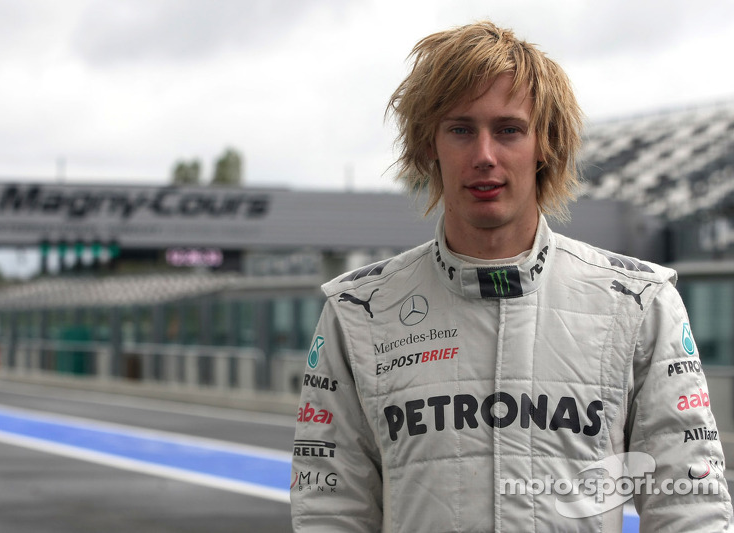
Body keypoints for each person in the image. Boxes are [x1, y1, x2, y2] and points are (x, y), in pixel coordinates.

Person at [291, 21, 731, 532]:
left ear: (544, 144)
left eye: (508, 129)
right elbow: (329, 510)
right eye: (460, 129)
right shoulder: (357, 313)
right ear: (428, 145)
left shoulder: (636, 303)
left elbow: (690, 506)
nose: (484, 155)